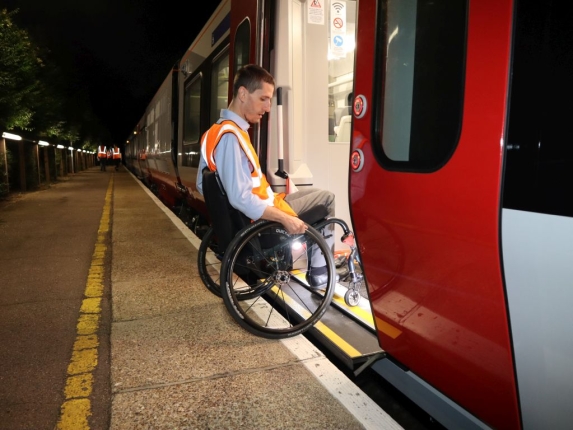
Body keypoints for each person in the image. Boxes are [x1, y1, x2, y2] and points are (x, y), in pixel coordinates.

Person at [197, 64, 336, 289]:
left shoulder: (214, 133)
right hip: (262, 221)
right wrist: (283, 218)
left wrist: (231, 214)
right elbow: (240, 198)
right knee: (327, 199)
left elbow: (203, 186)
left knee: (311, 194)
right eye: (263, 99)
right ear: (243, 93)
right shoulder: (232, 137)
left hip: (257, 212)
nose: (268, 107)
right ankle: (321, 275)